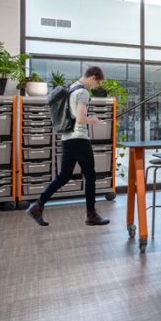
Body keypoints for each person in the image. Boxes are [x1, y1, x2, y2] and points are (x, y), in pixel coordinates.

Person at [27, 66, 110, 227]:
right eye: (97, 83)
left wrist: (87, 118)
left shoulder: (72, 88)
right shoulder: (83, 92)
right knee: (91, 177)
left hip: (67, 139)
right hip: (79, 139)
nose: (96, 86)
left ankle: (37, 205)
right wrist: (92, 120)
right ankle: (91, 215)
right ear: (93, 77)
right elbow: (80, 118)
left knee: (64, 176)